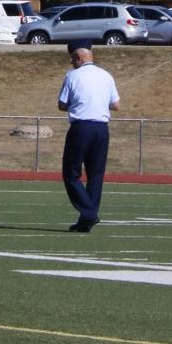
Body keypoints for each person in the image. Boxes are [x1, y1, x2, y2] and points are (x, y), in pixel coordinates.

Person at [57, 43, 119, 231]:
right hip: (102, 128)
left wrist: (78, 104)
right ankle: (86, 221)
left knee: (71, 173)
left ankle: (89, 213)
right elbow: (116, 105)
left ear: (80, 58)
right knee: (95, 175)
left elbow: (61, 104)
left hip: (81, 127)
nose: (71, 62)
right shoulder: (106, 75)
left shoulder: (72, 75)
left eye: (73, 59)